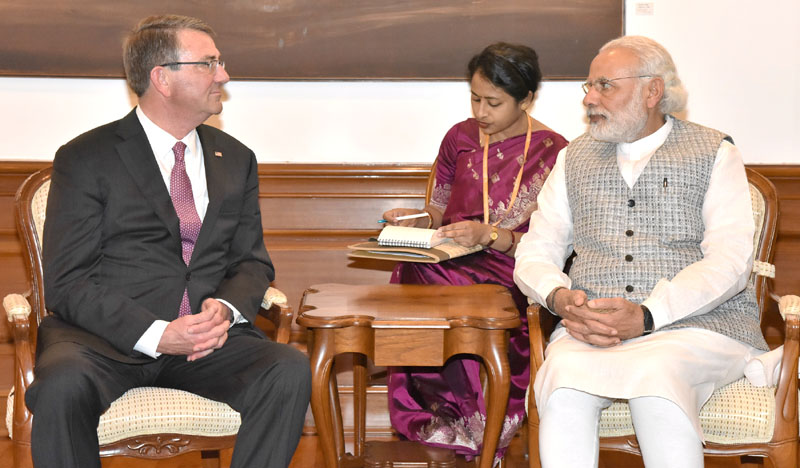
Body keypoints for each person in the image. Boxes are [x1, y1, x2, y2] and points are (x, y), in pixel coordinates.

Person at [25, 14, 311, 468]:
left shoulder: (235, 159)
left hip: (205, 343)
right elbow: (69, 281)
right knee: (62, 385)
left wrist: (226, 310)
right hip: (104, 342)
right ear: (162, 78)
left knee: (288, 368)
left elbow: (252, 263)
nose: (224, 75)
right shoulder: (85, 158)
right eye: (209, 63)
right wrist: (158, 335)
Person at [513, 35, 768, 468]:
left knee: (657, 382)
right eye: (588, 87)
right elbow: (536, 249)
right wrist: (560, 298)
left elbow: (730, 261)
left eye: (605, 85)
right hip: (593, 329)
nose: (590, 98)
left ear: (652, 92)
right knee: (562, 387)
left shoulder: (714, 152)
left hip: (698, 326)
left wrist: (649, 315)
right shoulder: (574, 157)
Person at [382, 42, 567, 462]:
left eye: (494, 102)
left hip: (515, 266)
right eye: (475, 98)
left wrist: (490, 236)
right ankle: (442, 420)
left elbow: (555, 241)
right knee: (412, 271)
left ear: (526, 99)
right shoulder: (459, 137)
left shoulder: (555, 151)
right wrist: (413, 221)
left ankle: (479, 421)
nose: (481, 112)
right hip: (451, 258)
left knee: (439, 283)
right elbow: (437, 211)